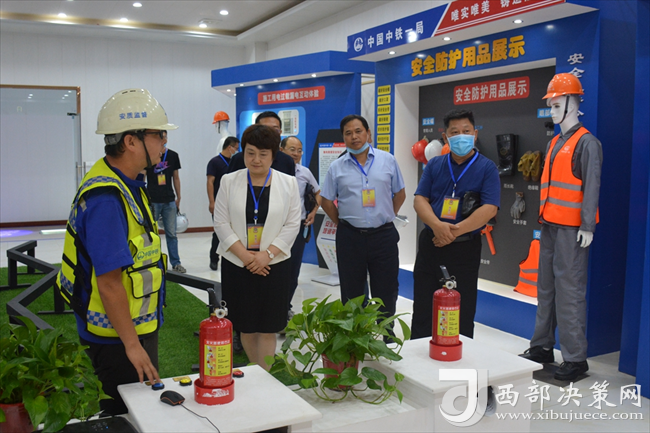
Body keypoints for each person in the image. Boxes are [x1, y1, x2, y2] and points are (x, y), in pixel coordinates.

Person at [55, 88, 177, 415]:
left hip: (128, 329)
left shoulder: (125, 183)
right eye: (159, 134)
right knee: (125, 416)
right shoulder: (107, 200)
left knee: (137, 411)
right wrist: (132, 346)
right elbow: (109, 283)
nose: (164, 142)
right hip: (117, 338)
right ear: (131, 141)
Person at [520, 73, 602, 382]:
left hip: (572, 230)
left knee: (569, 291)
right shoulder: (554, 142)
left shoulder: (587, 143)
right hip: (550, 226)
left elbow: (591, 186)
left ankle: (575, 358)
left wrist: (587, 225)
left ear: (573, 104)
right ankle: (542, 346)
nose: (552, 111)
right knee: (546, 289)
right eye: (551, 105)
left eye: (556, 105)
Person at [213, 124, 300, 370]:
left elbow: (292, 224)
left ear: (274, 155)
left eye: (263, 154)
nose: (256, 159)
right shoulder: (229, 181)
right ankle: (255, 369)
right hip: (237, 264)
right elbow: (221, 222)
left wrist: (267, 255)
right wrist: (246, 257)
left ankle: (266, 374)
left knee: (268, 326)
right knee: (246, 324)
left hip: (273, 265)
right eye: (250, 153)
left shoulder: (289, 183)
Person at [410, 109, 500, 340]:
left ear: (475, 134)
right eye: (455, 132)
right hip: (431, 243)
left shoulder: (487, 167)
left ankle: (459, 354)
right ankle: (418, 352)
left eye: (466, 131)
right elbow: (420, 200)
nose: (461, 136)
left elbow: (489, 208)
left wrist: (453, 232)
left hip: (464, 247)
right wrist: (438, 227)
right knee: (423, 306)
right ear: (446, 137)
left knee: (462, 308)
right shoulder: (435, 165)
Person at [321, 114, 406, 321]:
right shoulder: (336, 167)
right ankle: (357, 335)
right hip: (350, 237)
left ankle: (385, 333)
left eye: (358, 131)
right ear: (343, 137)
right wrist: (342, 223)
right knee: (352, 292)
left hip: (383, 235)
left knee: (386, 288)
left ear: (368, 133)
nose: (354, 137)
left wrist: (388, 215)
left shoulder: (388, 160)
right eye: (348, 133)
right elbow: (326, 201)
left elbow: (400, 193)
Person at [280, 135, 321, 319]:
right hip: (276, 227)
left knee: (293, 269)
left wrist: (313, 211)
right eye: (292, 149)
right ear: (281, 150)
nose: (296, 154)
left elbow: (318, 192)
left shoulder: (304, 172)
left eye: (299, 151)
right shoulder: (273, 171)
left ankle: (285, 307)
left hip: (298, 227)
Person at [145, 143, 185, 273]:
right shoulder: (149, 155)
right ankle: (152, 262)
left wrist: (178, 197)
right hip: (153, 201)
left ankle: (176, 263)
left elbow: (176, 177)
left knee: (171, 234)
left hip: (169, 200)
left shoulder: (173, 156)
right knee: (151, 234)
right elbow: (142, 176)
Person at [207, 136, 240, 271]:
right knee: (219, 232)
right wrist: (212, 202)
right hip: (219, 203)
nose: (237, 151)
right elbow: (210, 182)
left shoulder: (236, 162)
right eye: (236, 148)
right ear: (229, 147)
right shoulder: (214, 162)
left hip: (234, 202)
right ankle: (214, 259)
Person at [227, 111, 296, 176]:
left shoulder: (287, 161)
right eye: (264, 130)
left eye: (275, 130)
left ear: (280, 132)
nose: (270, 134)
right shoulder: (238, 159)